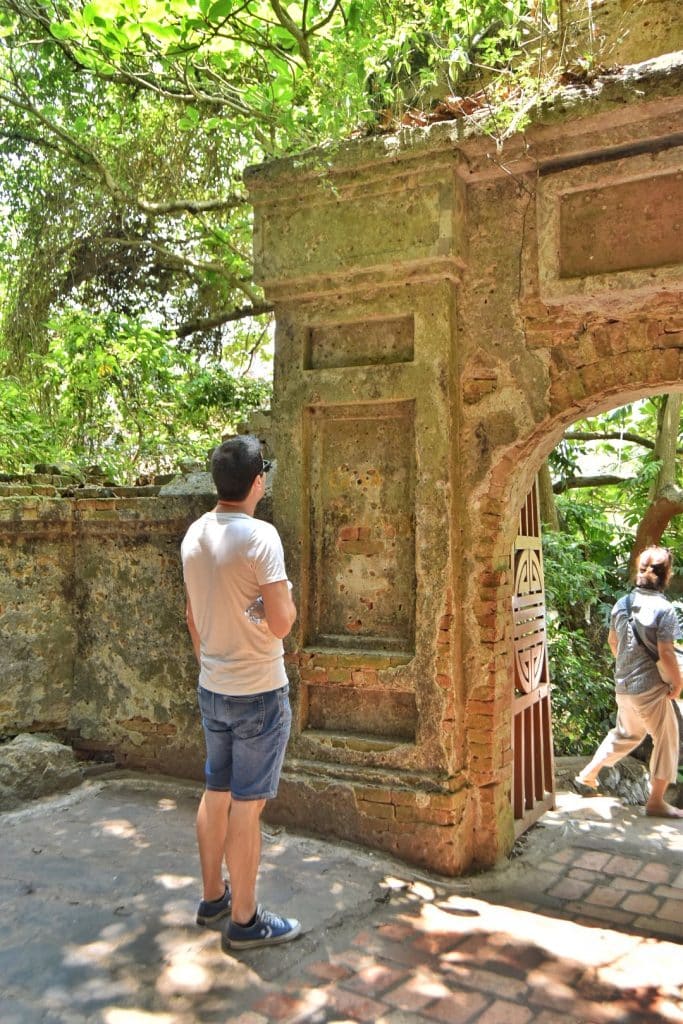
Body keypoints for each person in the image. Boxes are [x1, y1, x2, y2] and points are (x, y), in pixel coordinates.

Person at [181, 434, 301, 949]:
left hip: (214, 687)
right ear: (258, 482)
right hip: (258, 692)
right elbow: (281, 624)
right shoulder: (260, 537)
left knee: (216, 792)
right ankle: (246, 923)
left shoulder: (194, 535)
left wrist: (213, 662)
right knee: (247, 807)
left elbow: (194, 618)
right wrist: (281, 603)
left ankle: (214, 898)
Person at [574, 545, 683, 818]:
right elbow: (667, 653)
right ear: (665, 574)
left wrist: (629, 668)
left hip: (624, 686)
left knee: (628, 734)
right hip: (650, 690)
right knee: (668, 739)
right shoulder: (664, 609)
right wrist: (677, 683)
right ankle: (656, 801)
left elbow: (614, 642)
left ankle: (587, 775)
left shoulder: (621, 604)